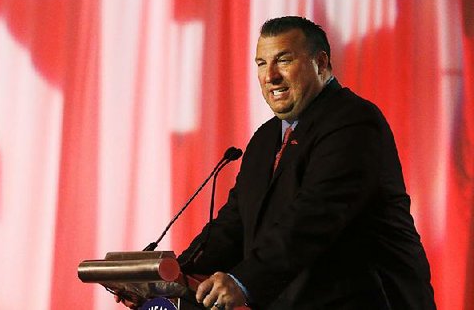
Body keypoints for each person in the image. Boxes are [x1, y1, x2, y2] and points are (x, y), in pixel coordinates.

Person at [174, 16, 436, 309]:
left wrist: (243, 281)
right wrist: (171, 276)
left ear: (321, 63)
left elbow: (312, 217)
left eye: (283, 61)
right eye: (261, 63)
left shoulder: (353, 122)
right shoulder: (265, 138)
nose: (270, 76)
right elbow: (234, 225)